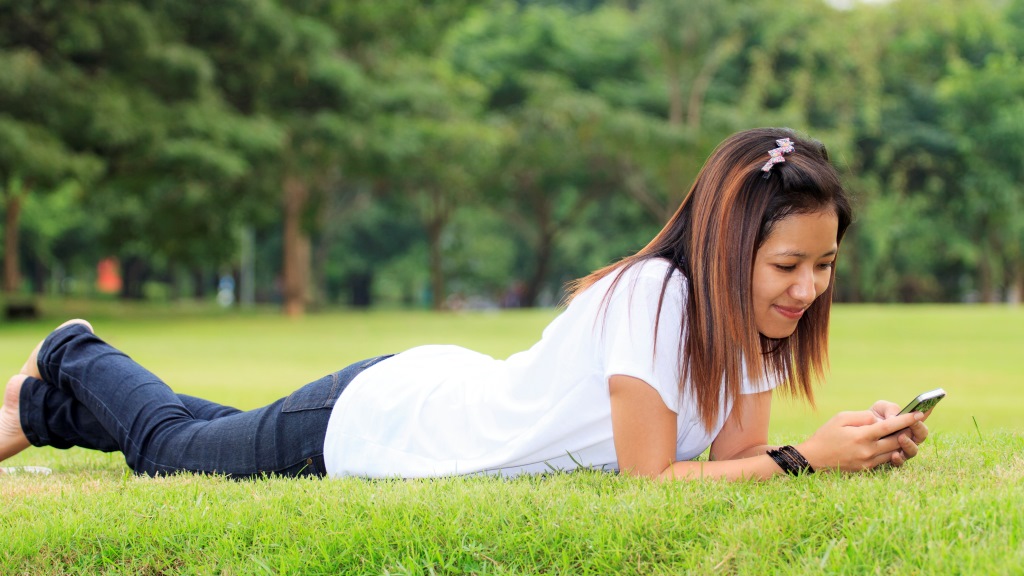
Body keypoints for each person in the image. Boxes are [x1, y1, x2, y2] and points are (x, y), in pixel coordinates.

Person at [0, 128, 930, 480]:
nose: (808, 290)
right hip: (385, 423)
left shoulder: (751, 328)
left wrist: (844, 447)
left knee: (222, 431)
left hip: (436, 399)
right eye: (787, 266)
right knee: (172, 453)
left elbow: (734, 464)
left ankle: (41, 411)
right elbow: (656, 488)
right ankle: (76, 351)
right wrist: (808, 461)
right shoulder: (654, 297)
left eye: (825, 266)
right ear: (733, 247)